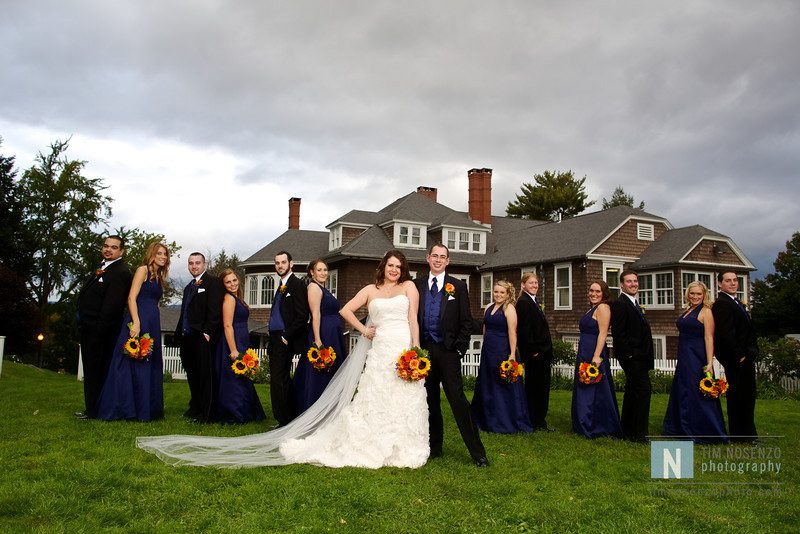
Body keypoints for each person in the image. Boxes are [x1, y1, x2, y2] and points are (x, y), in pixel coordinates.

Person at [137, 250, 429, 468]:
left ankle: (405, 443)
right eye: (390, 265)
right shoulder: (370, 289)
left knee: (405, 394)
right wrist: (365, 329)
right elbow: (346, 311)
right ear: (384, 267)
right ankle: (372, 441)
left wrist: (415, 351)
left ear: (403, 269)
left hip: (403, 345)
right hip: (379, 347)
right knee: (376, 393)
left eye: (398, 266)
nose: (394, 270)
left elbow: (414, 321)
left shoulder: (409, 288)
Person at [415, 243, 488, 467]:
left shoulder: (457, 286)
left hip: (448, 352)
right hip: (424, 351)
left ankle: (478, 453)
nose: (438, 260)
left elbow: (466, 321)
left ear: (448, 261)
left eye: (442, 257)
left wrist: (459, 349)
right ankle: (435, 447)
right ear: (428, 258)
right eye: (434, 256)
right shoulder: (416, 285)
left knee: (458, 401)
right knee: (430, 402)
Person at [97, 242, 169, 421]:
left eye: (165, 254)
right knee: (130, 363)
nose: (163, 257)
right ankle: (125, 408)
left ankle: (146, 408)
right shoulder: (142, 270)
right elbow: (131, 297)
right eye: (159, 253)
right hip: (138, 319)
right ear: (152, 254)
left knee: (147, 362)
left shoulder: (159, 276)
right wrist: (136, 323)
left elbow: (156, 302)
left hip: (152, 321)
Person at [76, 235, 133, 419]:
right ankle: (91, 408)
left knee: (97, 372)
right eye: (106, 246)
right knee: (91, 371)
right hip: (89, 328)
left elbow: (112, 306)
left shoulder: (121, 272)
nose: (108, 249)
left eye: (114, 247)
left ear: (121, 251)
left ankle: (94, 410)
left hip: (101, 333)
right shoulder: (102, 267)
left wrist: (98, 330)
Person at [663, 281, 727, 443]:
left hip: (696, 356)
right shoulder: (688, 309)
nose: (695, 296)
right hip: (684, 354)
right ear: (688, 294)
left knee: (695, 391)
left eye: (699, 294)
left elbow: (709, 337)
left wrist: (709, 362)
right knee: (683, 389)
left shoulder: (706, 311)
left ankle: (702, 429)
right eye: (692, 293)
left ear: (704, 294)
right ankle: (680, 427)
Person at [471, 280, 532, 434]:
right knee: (488, 382)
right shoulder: (488, 307)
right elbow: (485, 329)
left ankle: (504, 420)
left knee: (502, 383)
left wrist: (512, 354)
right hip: (489, 350)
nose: (498, 295)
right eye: (496, 292)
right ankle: (486, 419)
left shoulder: (510, 308)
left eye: (501, 292)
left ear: (508, 294)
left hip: (503, 350)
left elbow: (513, 332)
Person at [292, 259, 347, 414]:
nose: (323, 273)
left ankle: (330, 408)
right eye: (319, 270)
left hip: (333, 333)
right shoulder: (314, 288)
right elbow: (315, 314)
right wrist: (318, 340)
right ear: (312, 272)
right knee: (320, 372)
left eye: (325, 270)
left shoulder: (324, 289)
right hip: (323, 333)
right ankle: (315, 409)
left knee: (333, 370)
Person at [175, 252, 223, 423]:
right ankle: (195, 407)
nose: (194, 266)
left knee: (205, 375)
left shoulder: (213, 283)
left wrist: (207, 333)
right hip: (187, 337)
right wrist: (179, 332)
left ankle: (207, 413)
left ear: (204, 264)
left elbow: (215, 311)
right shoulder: (189, 287)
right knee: (192, 374)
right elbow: (185, 312)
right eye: (190, 263)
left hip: (202, 337)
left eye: (197, 263)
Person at [214, 269, 266, 424]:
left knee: (243, 375)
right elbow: (228, 325)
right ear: (223, 285)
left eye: (234, 280)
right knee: (234, 378)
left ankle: (246, 411)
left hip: (242, 339)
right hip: (233, 341)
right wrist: (233, 350)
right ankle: (235, 413)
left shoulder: (238, 298)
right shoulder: (229, 299)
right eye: (228, 282)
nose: (232, 284)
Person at [571, 281, 623, 439]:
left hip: (594, 351)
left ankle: (596, 424)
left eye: (597, 291)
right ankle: (583, 422)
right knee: (584, 385)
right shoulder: (593, 307)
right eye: (591, 291)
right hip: (585, 349)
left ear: (604, 293)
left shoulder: (603, 307)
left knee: (595, 388)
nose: (593, 294)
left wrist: (596, 356)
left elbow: (603, 333)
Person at [712, 271, 758, 442]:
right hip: (736, 359)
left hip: (746, 355)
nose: (732, 283)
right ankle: (741, 435)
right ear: (719, 284)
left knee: (747, 395)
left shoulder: (736, 301)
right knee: (739, 396)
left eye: (735, 280)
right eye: (728, 281)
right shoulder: (722, 304)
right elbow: (725, 333)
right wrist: (739, 355)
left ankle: (748, 432)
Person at [267, 251, 309, 426]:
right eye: (277, 263)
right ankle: (283, 417)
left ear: (291, 264)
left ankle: (285, 420)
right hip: (275, 337)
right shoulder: (281, 285)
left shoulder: (297, 285)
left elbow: (302, 316)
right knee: (277, 379)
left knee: (279, 379)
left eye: (283, 262)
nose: (280, 265)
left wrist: (286, 336)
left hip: (286, 338)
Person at [610, 269, 653, 442]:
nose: (633, 284)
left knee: (632, 393)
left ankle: (627, 430)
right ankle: (639, 434)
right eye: (629, 281)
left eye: (635, 281)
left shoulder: (635, 303)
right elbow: (619, 334)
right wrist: (629, 356)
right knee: (643, 391)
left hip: (641, 358)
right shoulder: (620, 304)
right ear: (622, 284)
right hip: (633, 358)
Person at [515, 272, 554, 431]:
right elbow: (524, 331)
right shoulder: (523, 303)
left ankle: (538, 419)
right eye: (531, 283)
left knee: (541, 387)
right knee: (536, 389)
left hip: (542, 353)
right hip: (536, 354)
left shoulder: (532, 301)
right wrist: (534, 352)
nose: (534, 286)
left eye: (536, 283)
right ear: (523, 285)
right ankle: (535, 420)